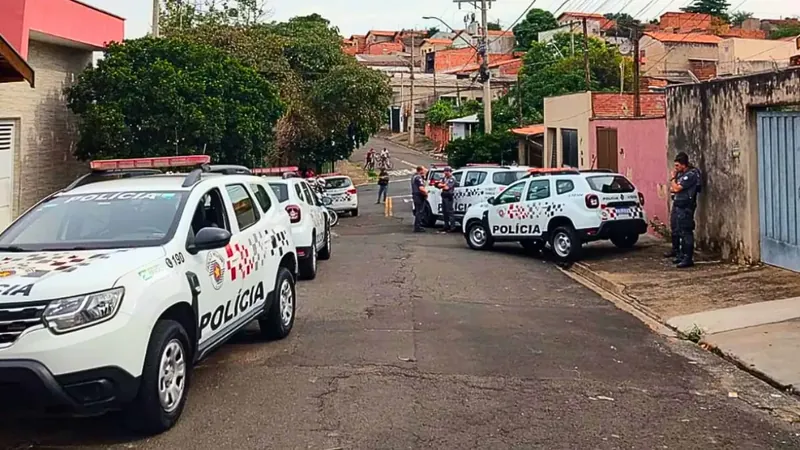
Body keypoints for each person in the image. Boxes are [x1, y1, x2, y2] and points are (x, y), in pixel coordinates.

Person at [666, 152, 702, 268]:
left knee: (686, 231)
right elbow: (672, 189)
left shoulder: (691, 174)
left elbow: (676, 188)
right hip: (679, 204)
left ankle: (688, 258)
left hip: (686, 206)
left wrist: (672, 178)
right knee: (678, 230)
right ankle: (680, 254)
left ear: (683, 164)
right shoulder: (682, 174)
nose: (675, 168)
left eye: (677, 165)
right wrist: (675, 185)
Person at [437, 167, 457, 232]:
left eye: (447, 171)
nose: (445, 173)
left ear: (450, 171)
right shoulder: (444, 178)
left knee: (450, 212)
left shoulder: (452, 179)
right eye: (445, 171)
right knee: (444, 212)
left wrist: (442, 185)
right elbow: (438, 185)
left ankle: (452, 227)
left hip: (449, 196)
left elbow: (447, 188)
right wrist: (443, 185)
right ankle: (446, 226)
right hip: (444, 196)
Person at [411, 166, 428, 233]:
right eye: (423, 169)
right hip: (419, 196)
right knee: (420, 211)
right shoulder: (418, 177)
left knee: (418, 211)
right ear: (420, 170)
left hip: (415, 195)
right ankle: (418, 227)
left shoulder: (414, 176)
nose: (424, 171)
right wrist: (426, 194)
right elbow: (421, 188)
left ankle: (417, 226)